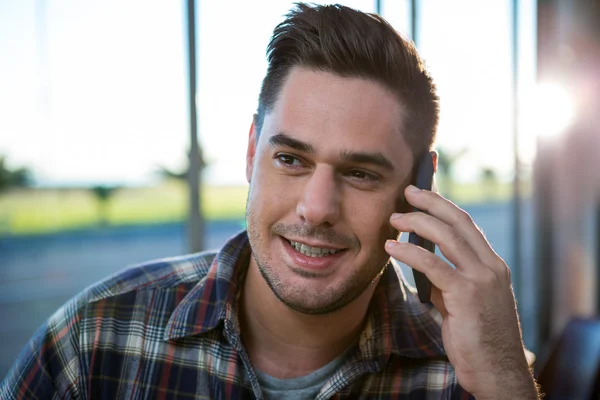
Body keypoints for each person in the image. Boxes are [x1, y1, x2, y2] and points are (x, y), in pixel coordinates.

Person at [1, 3, 540, 399]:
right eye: (290, 160)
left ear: (420, 184)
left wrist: (505, 383)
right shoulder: (93, 343)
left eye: (359, 173)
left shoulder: (467, 376)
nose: (316, 208)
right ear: (252, 152)